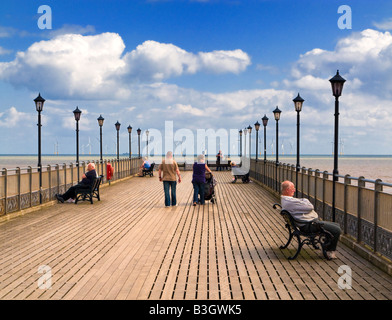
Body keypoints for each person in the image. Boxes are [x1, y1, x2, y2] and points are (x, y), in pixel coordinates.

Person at [280, 180, 341, 259]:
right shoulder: (289, 202)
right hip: (309, 225)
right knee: (337, 230)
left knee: (336, 225)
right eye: (293, 188)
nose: (294, 190)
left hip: (308, 223)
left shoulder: (287, 200)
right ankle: (329, 252)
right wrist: (305, 201)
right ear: (287, 190)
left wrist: (304, 201)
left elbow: (304, 202)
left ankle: (327, 247)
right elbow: (310, 207)